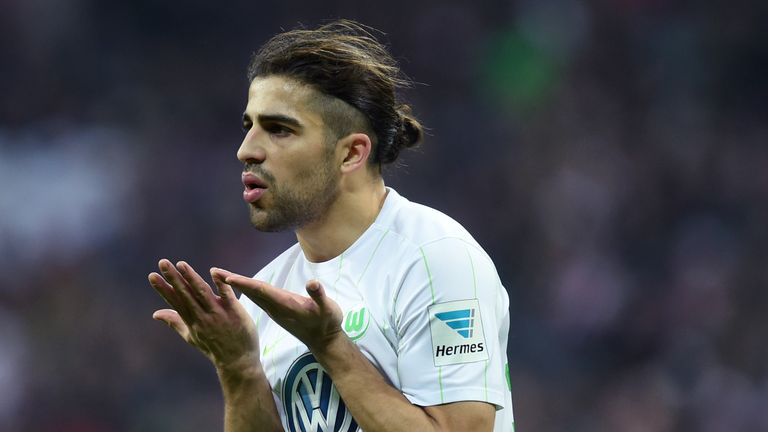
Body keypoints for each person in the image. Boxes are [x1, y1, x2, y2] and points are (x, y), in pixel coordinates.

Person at [148, 20, 515, 432]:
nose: (246, 150)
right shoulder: (268, 291)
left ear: (351, 153)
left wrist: (330, 345)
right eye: (248, 127)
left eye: (279, 130)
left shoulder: (435, 261)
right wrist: (239, 366)